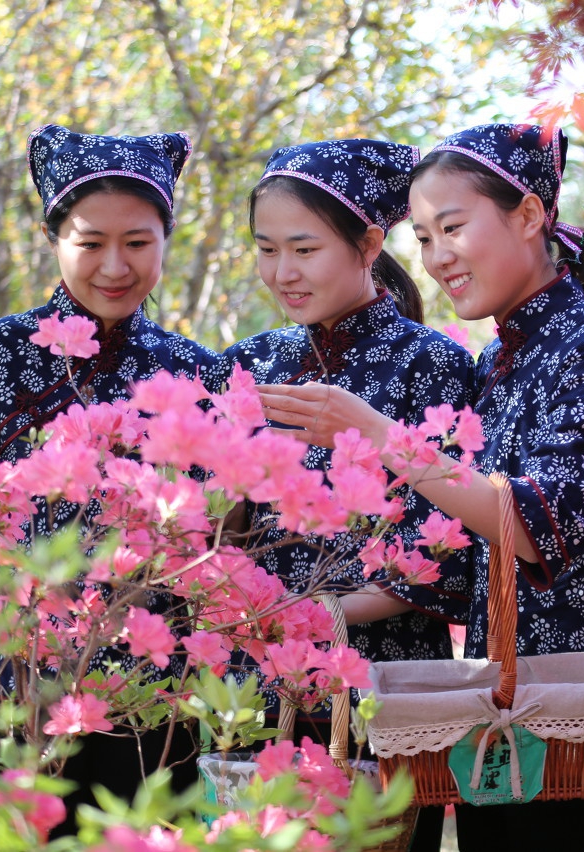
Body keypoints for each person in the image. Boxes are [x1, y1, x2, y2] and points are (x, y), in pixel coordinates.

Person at [257, 123, 584, 851]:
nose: (436, 257)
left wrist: (380, 434)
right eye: (421, 237)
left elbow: (535, 526)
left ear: (527, 215)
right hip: (505, 707)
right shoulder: (501, 362)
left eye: (452, 227)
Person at [0, 124, 218, 833]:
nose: (115, 266)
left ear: (167, 239)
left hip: (150, 705)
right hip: (14, 690)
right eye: (90, 242)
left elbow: (215, 540)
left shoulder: (196, 370)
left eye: (138, 242)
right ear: (51, 236)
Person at [203, 138, 477, 852]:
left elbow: (441, 550)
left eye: (303, 249)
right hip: (258, 673)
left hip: (381, 672)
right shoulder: (248, 365)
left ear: (368, 243)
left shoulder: (434, 365)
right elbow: (223, 533)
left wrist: (314, 615)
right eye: (266, 250)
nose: (281, 273)